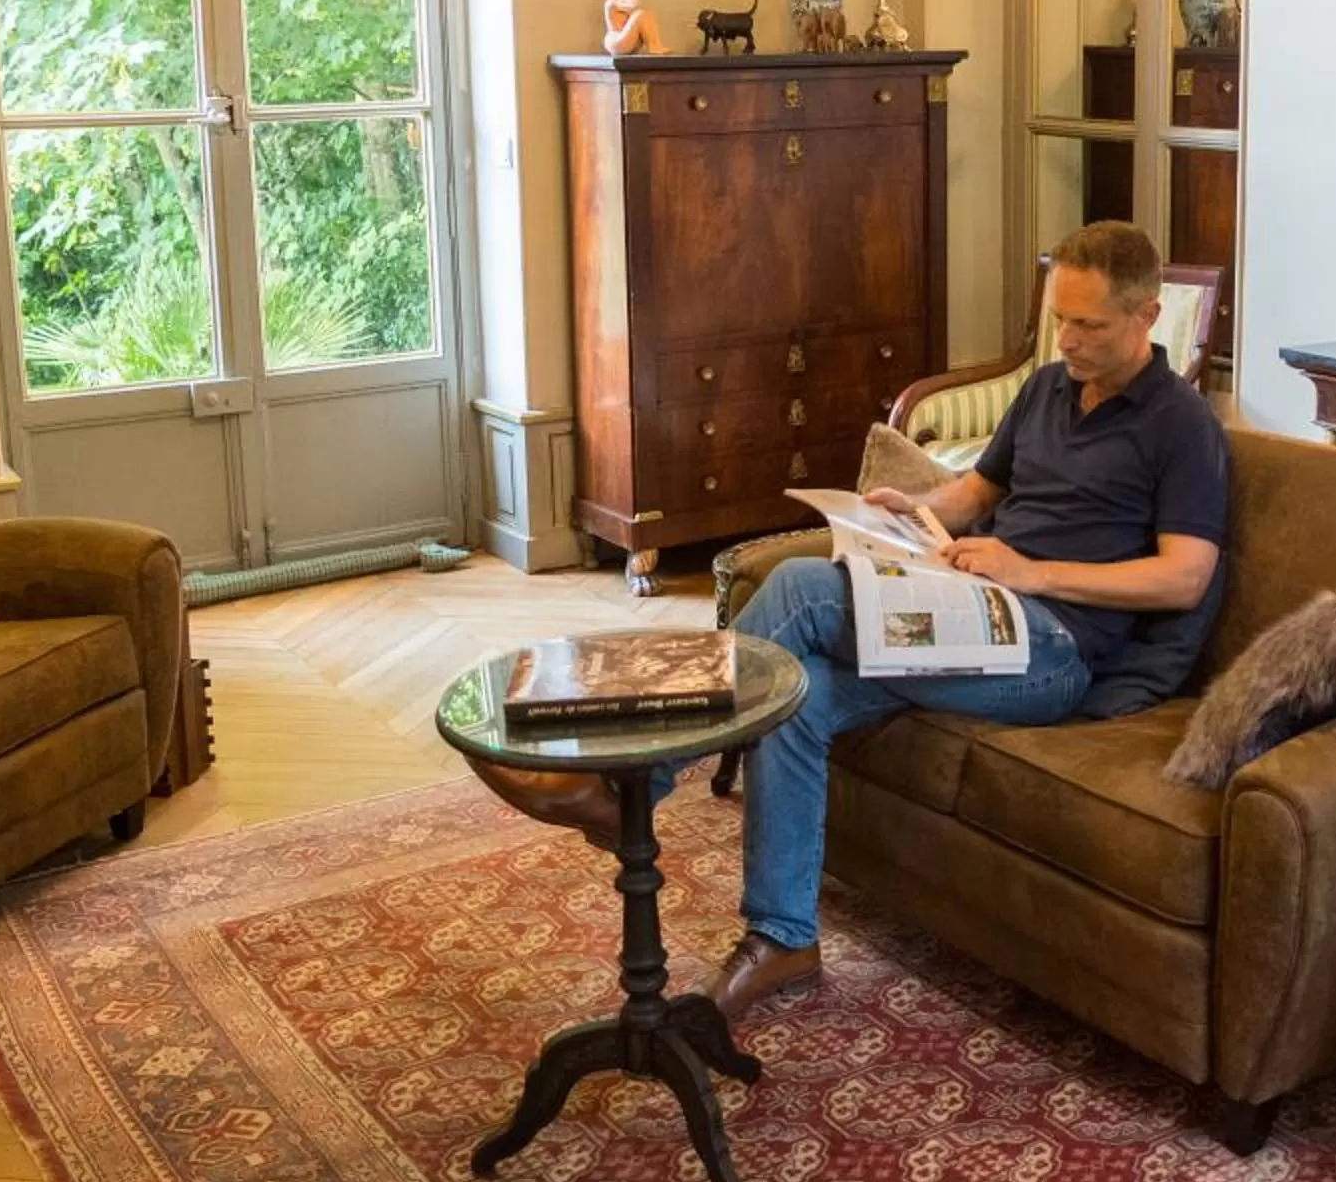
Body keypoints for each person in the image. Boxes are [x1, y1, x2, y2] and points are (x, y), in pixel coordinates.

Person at [466, 222, 1231, 1024]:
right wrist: (915, 510)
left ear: (1147, 315)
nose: (1067, 339)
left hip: (1054, 650)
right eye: (1059, 319)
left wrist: (1030, 571)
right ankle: (783, 937)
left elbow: (1185, 577)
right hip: (975, 610)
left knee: (799, 589)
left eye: (1090, 325)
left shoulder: (1182, 426)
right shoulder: (1046, 388)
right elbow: (974, 497)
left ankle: (635, 785)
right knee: (799, 700)